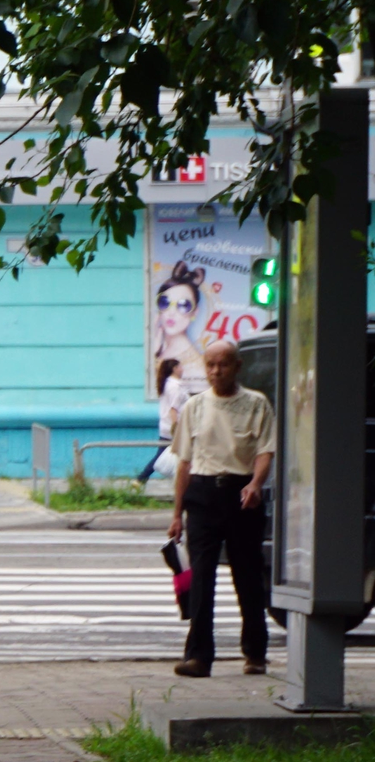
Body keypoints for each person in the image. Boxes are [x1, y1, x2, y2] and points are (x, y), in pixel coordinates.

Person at [166, 340, 274, 678]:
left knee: (248, 577)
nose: (216, 371)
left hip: (242, 497)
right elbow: (183, 462)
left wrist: (256, 484)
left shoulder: (256, 404)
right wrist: (177, 514)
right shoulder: (195, 407)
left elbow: (265, 451)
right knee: (201, 578)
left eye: (223, 364)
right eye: (210, 365)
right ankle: (199, 656)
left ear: (237, 366)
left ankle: (255, 653)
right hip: (202, 495)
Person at [152, 261, 208, 395]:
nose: (172, 312)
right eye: (165, 302)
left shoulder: (196, 368)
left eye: (183, 305)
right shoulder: (159, 349)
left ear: (195, 312)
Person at [137, 357, 189, 484]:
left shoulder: (168, 384)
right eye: (180, 367)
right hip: (174, 428)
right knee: (163, 456)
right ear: (175, 369)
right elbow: (173, 409)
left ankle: (140, 480)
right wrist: (175, 428)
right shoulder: (175, 386)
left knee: (162, 455)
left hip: (167, 426)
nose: (182, 369)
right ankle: (140, 479)